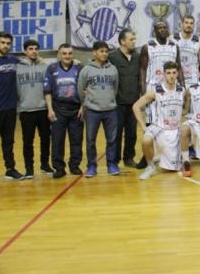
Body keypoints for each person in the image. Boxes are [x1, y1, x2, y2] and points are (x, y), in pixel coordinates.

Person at [133, 61, 191, 180]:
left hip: (175, 130)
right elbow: (136, 107)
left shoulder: (182, 90)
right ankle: (150, 166)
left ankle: (177, 159)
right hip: (159, 128)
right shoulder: (155, 91)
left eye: (174, 73)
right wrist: (144, 127)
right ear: (163, 74)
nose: (171, 76)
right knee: (146, 139)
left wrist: (184, 114)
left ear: (177, 73)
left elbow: (185, 108)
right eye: (168, 73)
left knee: (172, 169)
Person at [0, 32, 23, 185]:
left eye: (8, 43)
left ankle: (10, 169)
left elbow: (33, 62)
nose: (5, 46)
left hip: (10, 108)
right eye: (3, 42)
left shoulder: (14, 60)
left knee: (9, 141)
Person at [77, 41, 120, 178]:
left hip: (110, 110)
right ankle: (91, 166)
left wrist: (110, 100)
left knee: (112, 140)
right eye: (101, 51)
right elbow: (80, 89)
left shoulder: (113, 69)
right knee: (90, 140)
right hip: (92, 110)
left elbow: (115, 88)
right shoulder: (86, 70)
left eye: (106, 51)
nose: (104, 54)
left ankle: (112, 165)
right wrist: (87, 103)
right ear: (94, 52)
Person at [44, 44, 84, 179]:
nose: (67, 56)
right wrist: (50, 109)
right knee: (57, 140)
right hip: (58, 109)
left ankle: (74, 165)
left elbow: (86, 89)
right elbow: (47, 91)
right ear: (59, 55)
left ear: (73, 54)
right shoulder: (52, 68)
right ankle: (59, 168)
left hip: (76, 110)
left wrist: (83, 107)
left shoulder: (80, 68)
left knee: (76, 140)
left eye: (69, 53)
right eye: (64, 53)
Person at [16, 39, 53, 178]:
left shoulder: (44, 66)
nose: (34, 51)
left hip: (43, 108)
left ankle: (45, 164)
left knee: (45, 139)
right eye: (30, 49)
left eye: (36, 49)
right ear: (25, 51)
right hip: (26, 109)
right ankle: (29, 169)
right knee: (27, 141)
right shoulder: (17, 67)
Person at [108, 29, 140, 168]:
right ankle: (114, 161)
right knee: (116, 134)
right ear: (122, 41)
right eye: (131, 39)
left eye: (134, 39)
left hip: (134, 103)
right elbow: (96, 63)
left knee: (132, 133)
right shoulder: (112, 56)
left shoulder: (137, 57)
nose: (134, 42)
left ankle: (129, 158)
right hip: (117, 104)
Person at [139, 21, 183, 123]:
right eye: (159, 28)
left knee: (168, 118)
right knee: (151, 119)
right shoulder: (147, 47)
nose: (162, 30)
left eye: (164, 28)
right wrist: (143, 91)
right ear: (154, 31)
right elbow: (142, 69)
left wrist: (183, 85)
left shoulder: (174, 46)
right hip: (152, 86)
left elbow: (179, 67)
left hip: (170, 87)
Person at [174, 15, 200, 87]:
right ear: (182, 24)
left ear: (194, 25)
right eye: (186, 22)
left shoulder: (199, 41)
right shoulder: (172, 39)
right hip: (176, 78)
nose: (189, 25)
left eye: (191, 23)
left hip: (193, 79)